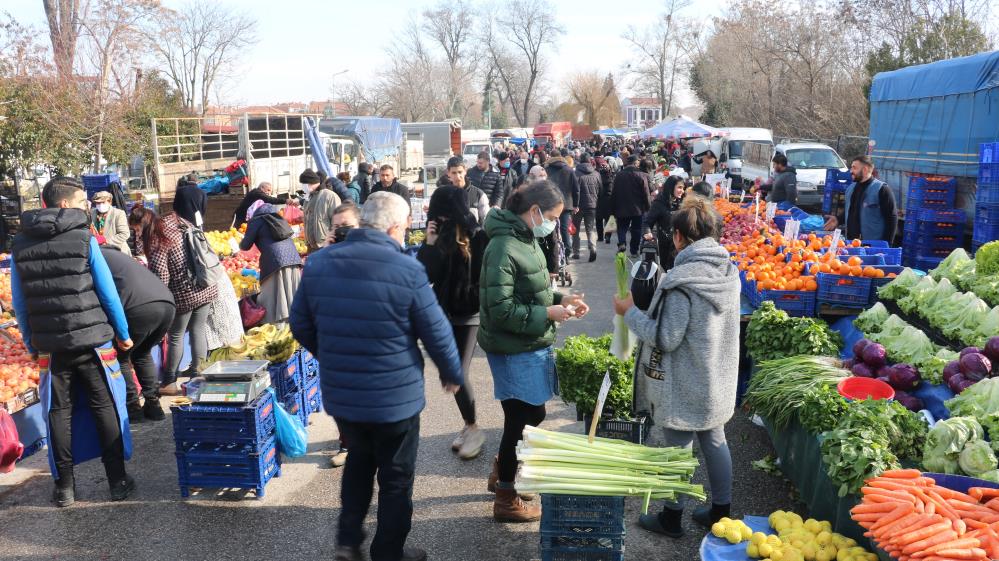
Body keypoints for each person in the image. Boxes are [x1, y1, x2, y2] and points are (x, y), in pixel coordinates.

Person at [290, 191, 464, 561]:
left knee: (358, 461)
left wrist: (332, 354)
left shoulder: (320, 264)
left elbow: (300, 323)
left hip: (345, 395)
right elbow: (435, 330)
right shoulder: (406, 268)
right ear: (395, 227)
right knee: (396, 478)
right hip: (394, 399)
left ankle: (348, 542)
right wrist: (451, 372)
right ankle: (388, 552)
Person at [613, 196, 740, 538]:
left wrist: (630, 313)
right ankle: (721, 512)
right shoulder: (728, 271)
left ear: (680, 237)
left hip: (685, 380)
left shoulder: (683, 282)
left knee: (677, 448)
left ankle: (671, 518)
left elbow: (665, 338)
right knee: (715, 440)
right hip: (716, 377)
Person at [10, 177, 135, 506]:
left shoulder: (20, 244)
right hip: (94, 340)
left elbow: (21, 305)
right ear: (64, 204)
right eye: (82, 201)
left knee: (58, 412)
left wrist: (32, 342)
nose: (88, 206)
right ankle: (118, 481)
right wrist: (122, 334)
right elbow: (108, 293)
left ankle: (64, 488)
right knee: (104, 405)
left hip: (51, 347)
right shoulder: (84, 238)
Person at [479, 180, 589, 522]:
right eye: (552, 217)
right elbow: (500, 309)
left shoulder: (527, 239)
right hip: (512, 348)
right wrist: (548, 314)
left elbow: (534, 289)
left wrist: (561, 300)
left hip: (528, 343)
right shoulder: (502, 247)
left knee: (534, 414)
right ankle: (506, 497)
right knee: (519, 421)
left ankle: (502, 470)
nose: (554, 224)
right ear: (534, 211)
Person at [417, 186, 488, 461]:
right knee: (451, 373)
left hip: (469, 314)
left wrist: (470, 296)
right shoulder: (441, 236)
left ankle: (473, 428)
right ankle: (468, 424)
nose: (437, 219)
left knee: (458, 372)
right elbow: (425, 274)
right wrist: (429, 243)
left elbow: (483, 276)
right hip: (445, 313)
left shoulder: (477, 235)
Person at [128, 207, 218, 395]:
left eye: (136, 230)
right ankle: (198, 376)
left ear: (141, 224)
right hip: (205, 283)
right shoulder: (179, 221)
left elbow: (161, 274)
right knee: (198, 331)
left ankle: (169, 381)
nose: (136, 235)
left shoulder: (157, 238)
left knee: (176, 336)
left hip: (183, 292)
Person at [100, 247, 176, 423]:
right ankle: (154, 405)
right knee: (142, 352)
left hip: (138, 307)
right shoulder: (117, 257)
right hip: (166, 302)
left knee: (121, 356)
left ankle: (133, 407)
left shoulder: (92, 259)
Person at [240, 203, 302, 324]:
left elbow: (245, 245)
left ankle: (275, 323)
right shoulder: (279, 219)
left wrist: (241, 240)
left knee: (271, 294)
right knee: (290, 290)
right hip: (293, 257)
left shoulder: (256, 221)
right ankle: (291, 322)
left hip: (275, 260)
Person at [824, 155, 898, 242]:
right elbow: (849, 211)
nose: (851, 171)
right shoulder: (850, 189)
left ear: (865, 169)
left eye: (854, 168)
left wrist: (886, 245)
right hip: (851, 244)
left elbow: (891, 218)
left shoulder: (882, 189)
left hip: (872, 246)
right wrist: (838, 219)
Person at [612, 155, 653, 257]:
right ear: (636, 163)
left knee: (622, 227)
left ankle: (622, 243)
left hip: (621, 207)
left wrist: (612, 208)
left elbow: (614, 192)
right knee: (636, 229)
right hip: (637, 208)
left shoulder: (619, 175)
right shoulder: (641, 175)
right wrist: (648, 207)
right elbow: (646, 193)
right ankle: (634, 250)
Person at [643, 176, 685, 270]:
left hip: (683, 245)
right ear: (671, 187)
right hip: (667, 245)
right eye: (679, 187)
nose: (682, 191)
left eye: (683, 188)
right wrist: (647, 232)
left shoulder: (683, 201)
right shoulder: (659, 203)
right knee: (668, 269)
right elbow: (647, 222)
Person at [544, 152, 580, 259]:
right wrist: (576, 204)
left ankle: (553, 253)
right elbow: (576, 189)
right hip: (566, 204)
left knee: (550, 229)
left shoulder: (547, 169)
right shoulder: (569, 170)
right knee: (564, 229)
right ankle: (567, 252)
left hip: (550, 203)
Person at [301, 168, 342, 252]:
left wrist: (333, 242)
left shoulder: (330, 196)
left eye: (304, 183)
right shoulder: (309, 196)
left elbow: (337, 222)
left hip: (324, 244)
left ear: (311, 182)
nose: (303, 186)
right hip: (311, 245)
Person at [572, 154, 601, 262]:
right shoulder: (596, 174)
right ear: (590, 161)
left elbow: (573, 190)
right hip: (592, 205)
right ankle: (592, 247)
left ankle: (576, 252)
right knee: (590, 229)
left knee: (575, 229)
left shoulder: (575, 173)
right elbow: (600, 190)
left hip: (578, 206)